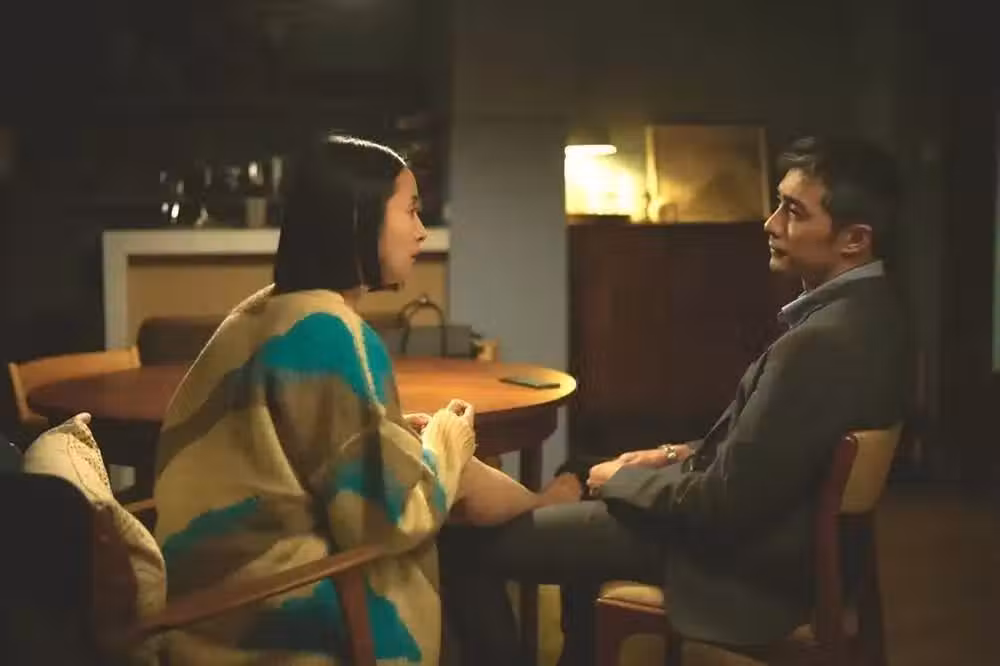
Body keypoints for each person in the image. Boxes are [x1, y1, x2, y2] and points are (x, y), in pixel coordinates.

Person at [439, 135, 913, 666]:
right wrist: (669, 455)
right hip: (775, 538)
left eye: (793, 211)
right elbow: (777, 450)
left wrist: (622, 482)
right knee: (579, 468)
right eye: (778, 204)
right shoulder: (877, 314)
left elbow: (723, 504)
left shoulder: (821, 343)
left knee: (461, 547)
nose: (771, 223)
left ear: (854, 240)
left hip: (739, 562)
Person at [152, 135, 575, 665]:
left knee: (447, 477)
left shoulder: (261, 312)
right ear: (360, 217)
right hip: (275, 608)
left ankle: (544, 511)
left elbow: (296, 453)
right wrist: (448, 440)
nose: (421, 231)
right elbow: (389, 519)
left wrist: (404, 436)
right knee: (460, 510)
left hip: (210, 593)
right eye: (411, 210)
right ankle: (548, 516)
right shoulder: (329, 331)